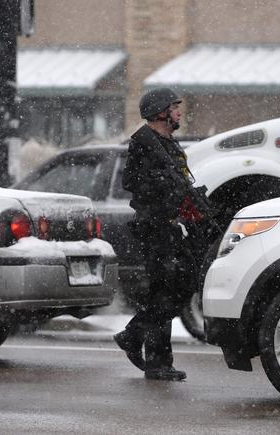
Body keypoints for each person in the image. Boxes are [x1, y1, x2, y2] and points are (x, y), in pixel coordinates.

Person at [114, 87, 209, 381]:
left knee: (176, 288)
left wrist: (190, 201)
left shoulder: (168, 144)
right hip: (154, 228)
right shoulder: (143, 142)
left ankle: (147, 351)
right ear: (160, 112)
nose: (179, 112)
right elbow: (131, 182)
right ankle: (148, 351)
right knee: (167, 290)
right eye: (174, 107)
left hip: (170, 226)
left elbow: (178, 182)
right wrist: (163, 186)